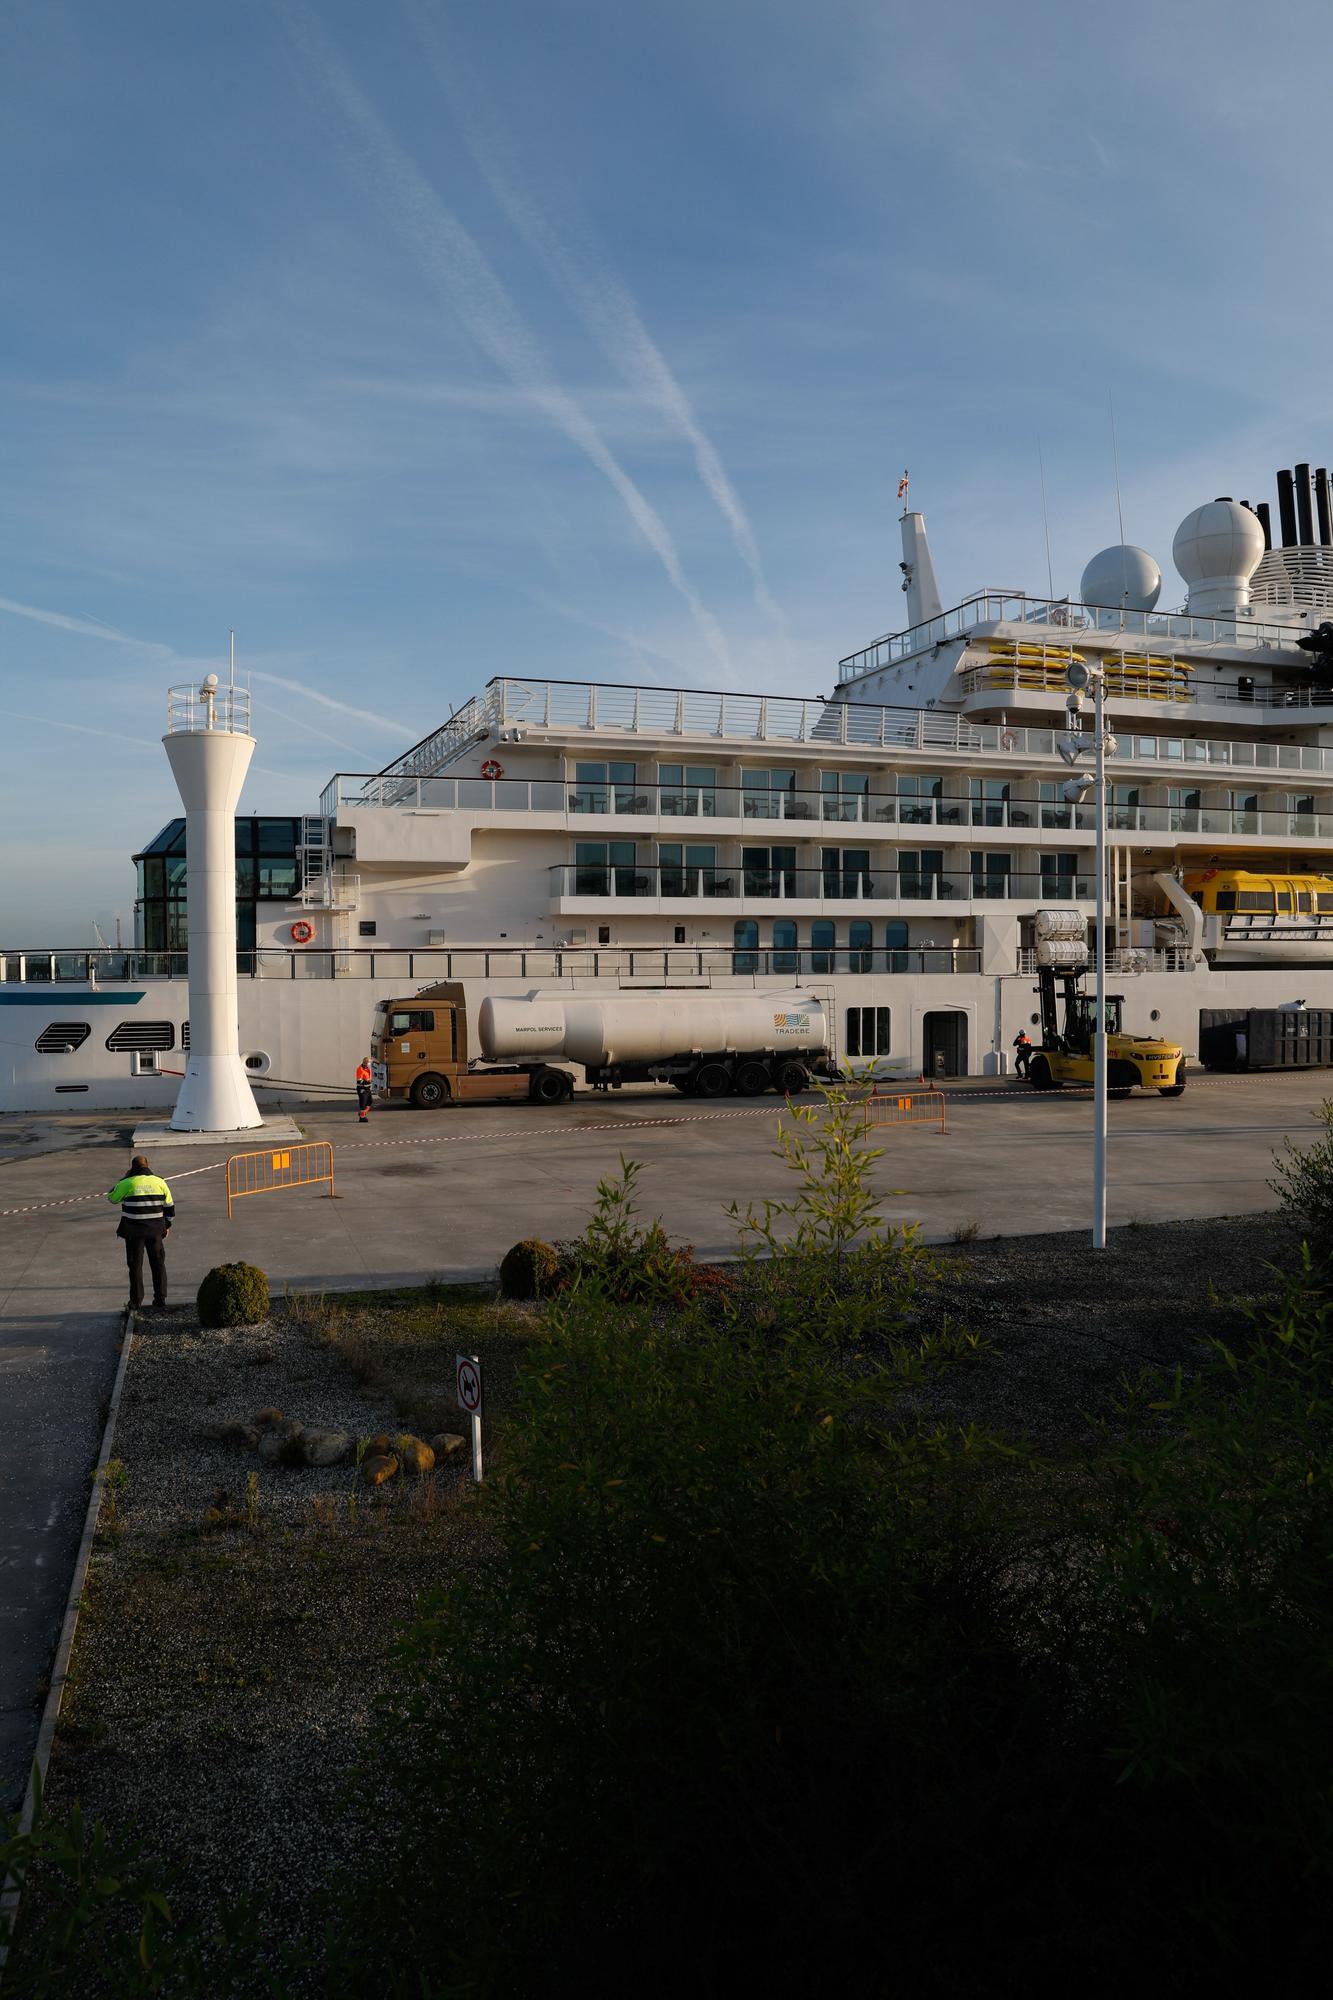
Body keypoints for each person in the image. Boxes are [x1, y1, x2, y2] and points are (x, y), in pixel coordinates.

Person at [106, 1153, 174, 1310]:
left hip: (133, 1232)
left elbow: (112, 1198)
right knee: (158, 1264)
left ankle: (136, 1301)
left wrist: (123, 1179)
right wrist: (167, 1226)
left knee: (135, 1266)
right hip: (155, 1231)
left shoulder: (127, 1183)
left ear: (132, 1168)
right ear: (148, 1166)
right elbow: (170, 1208)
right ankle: (160, 1299)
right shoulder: (160, 1182)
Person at [355, 1056, 373, 1123]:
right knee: (363, 1103)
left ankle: (362, 1113)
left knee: (370, 1101)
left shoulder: (367, 1068)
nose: (370, 1064)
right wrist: (368, 1081)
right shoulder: (360, 1069)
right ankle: (362, 1118)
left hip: (367, 1088)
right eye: (369, 1062)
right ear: (366, 1062)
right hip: (362, 1089)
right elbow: (359, 1081)